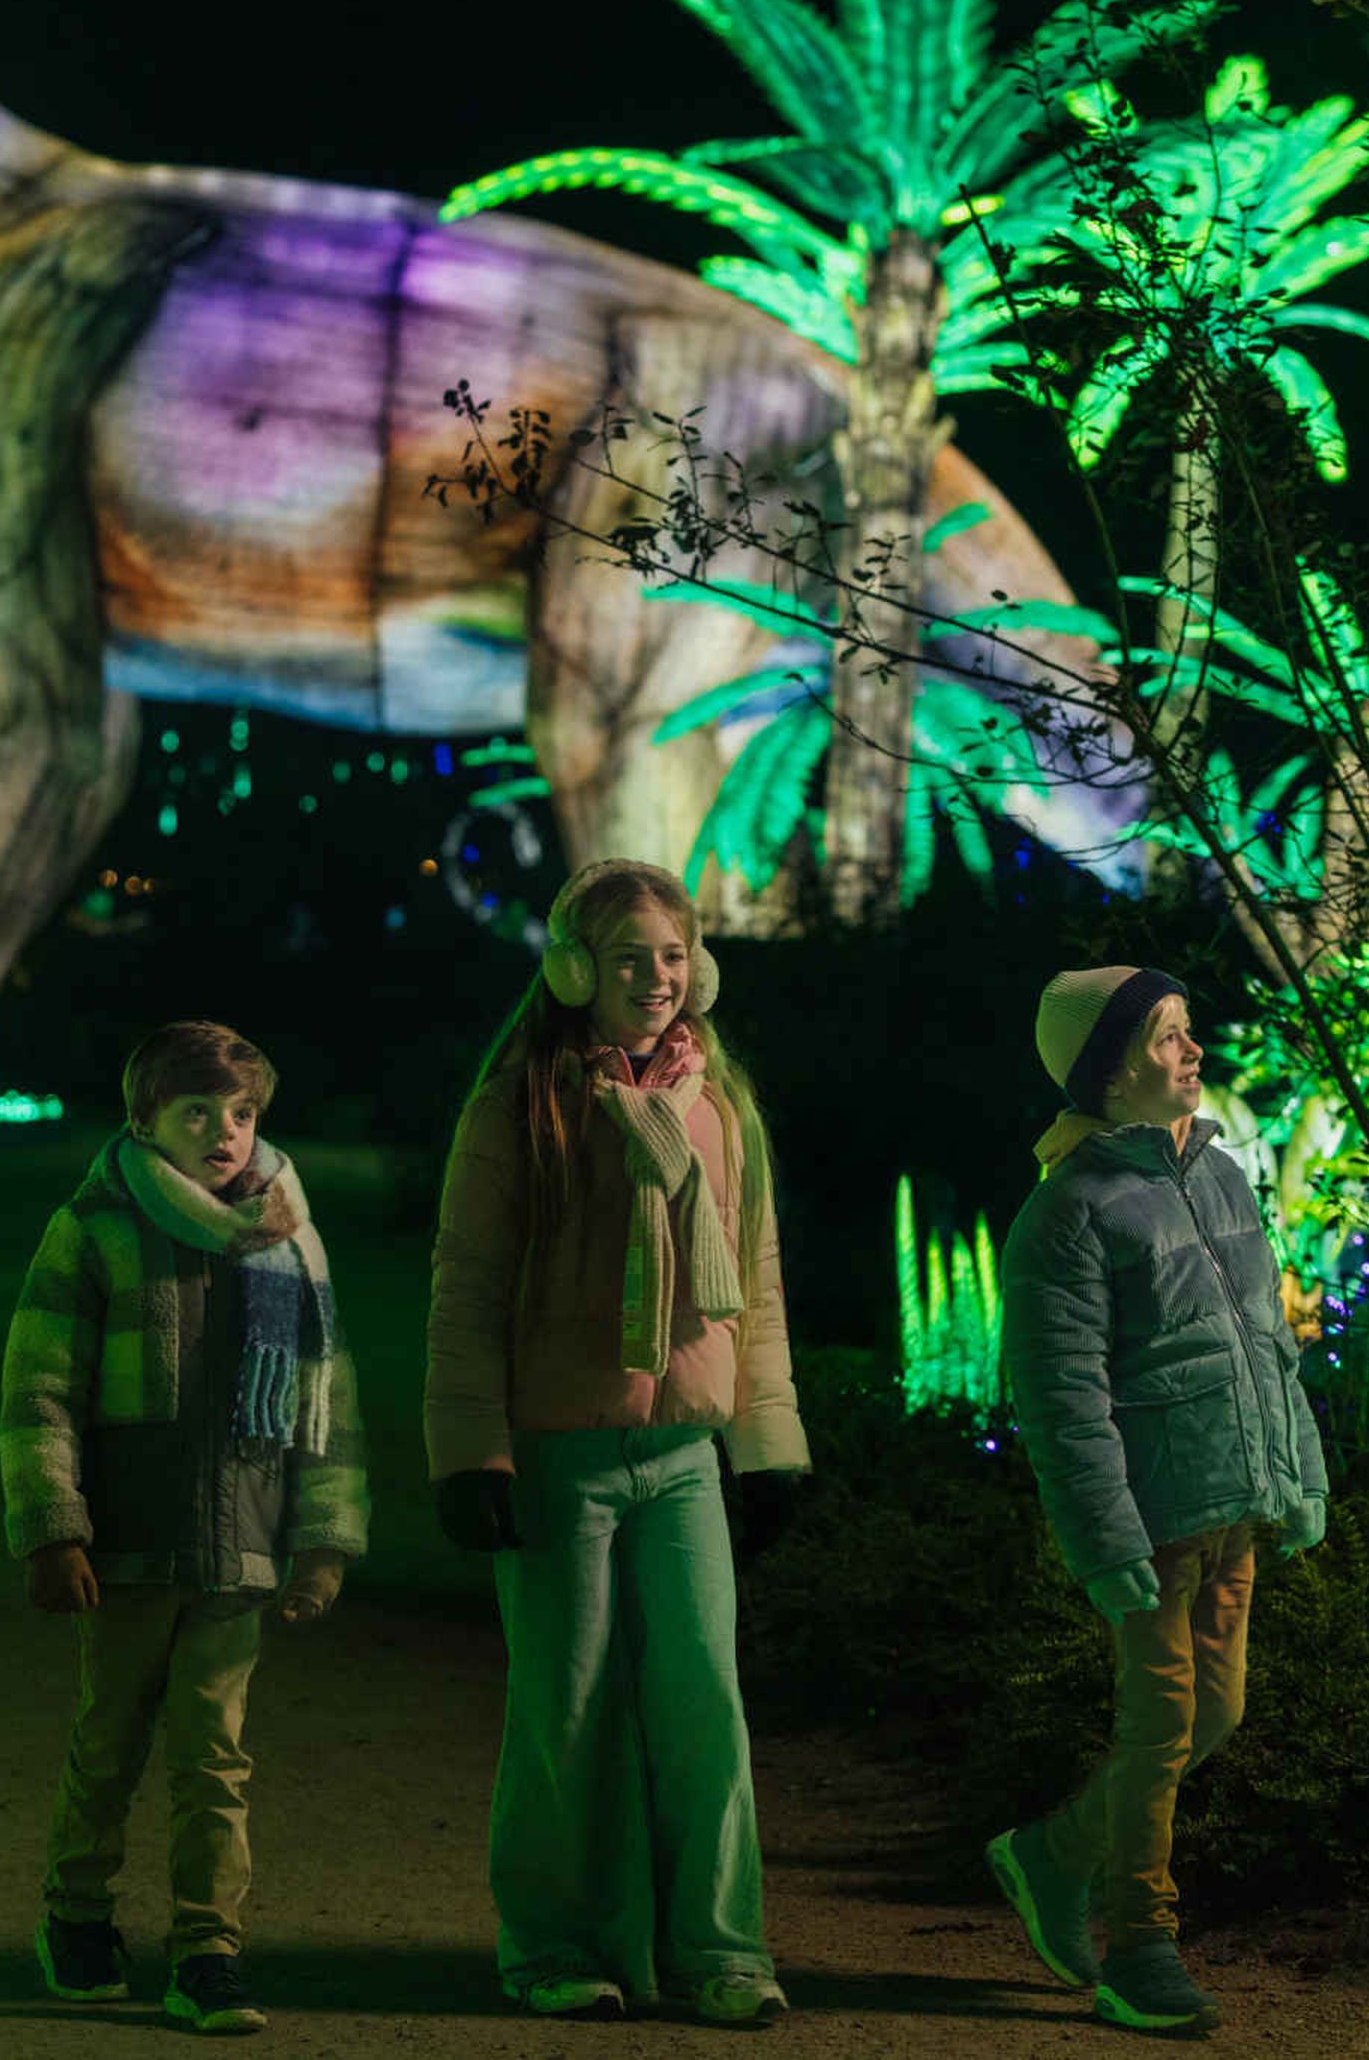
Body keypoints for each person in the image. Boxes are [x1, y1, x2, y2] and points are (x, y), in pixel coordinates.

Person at [425, 859, 809, 2027]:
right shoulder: (521, 1103)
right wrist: (468, 1453)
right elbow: (469, 1287)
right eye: (633, 957)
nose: (659, 977)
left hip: (683, 1459)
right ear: (575, 970)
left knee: (706, 1705)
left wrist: (770, 1443)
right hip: (559, 1456)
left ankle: (720, 1952)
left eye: (676, 955)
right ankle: (552, 1944)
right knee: (566, 1709)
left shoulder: (715, 1106)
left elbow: (754, 1282)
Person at [1, 1020, 367, 2037]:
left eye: (242, 1112)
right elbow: (38, 1391)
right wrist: (51, 1526)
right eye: (197, 1111)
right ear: (143, 1120)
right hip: (124, 1547)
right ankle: (77, 1916)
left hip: (239, 1547)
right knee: (108, 1741)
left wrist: (324, 1537)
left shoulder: (290, 1241)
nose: (225, 1131)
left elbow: (322, 1396)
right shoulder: (96, 1231)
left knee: (215, 1760)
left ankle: (209, 1950)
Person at [985, 966, 1330, 2037]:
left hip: (1237, 1503)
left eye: (1189, 1031)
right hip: (1152, 1520)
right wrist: (1104, 1540)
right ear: (1111, 1067)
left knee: (1216, 1711)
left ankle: (1049, 1854)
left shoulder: (1221, 1178)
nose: (1192, 1051)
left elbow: (1267, 1348)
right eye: (1168, 1036)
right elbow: (1062, 1402)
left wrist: (1301, 1477)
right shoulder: (1069, 1215)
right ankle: (1139, 1945)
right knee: (1162, 1723)